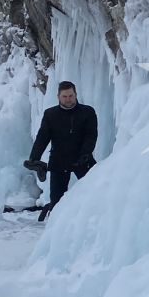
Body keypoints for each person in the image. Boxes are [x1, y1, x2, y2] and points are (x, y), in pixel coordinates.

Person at [27, 82, 98, 221]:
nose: (68, 99)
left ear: (76, 95)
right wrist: (33, 158)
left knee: (95, 191)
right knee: (57, 201)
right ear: (58, 96)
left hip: (82, 159)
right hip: (59, 161)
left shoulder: (87, 112)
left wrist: (86, 154)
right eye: (64, 96)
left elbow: (91, 135)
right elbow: (42, 138)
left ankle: (93, 222)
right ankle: (56, 225)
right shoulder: (50, 114)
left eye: (71, 95)